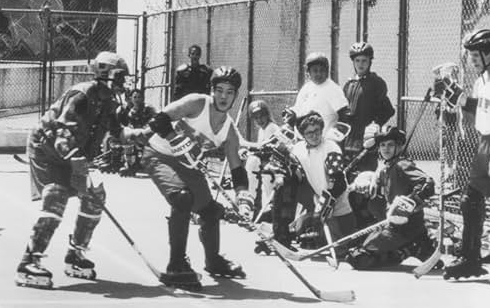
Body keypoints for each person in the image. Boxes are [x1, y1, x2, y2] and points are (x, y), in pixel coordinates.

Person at [16, 51, 135, 289]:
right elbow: (62, 136)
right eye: (120, 76)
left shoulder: (109, 101)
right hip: (47, 151)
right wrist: (78, 164)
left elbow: (118, 133)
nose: (124, 82)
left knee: (94, 199)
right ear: (104, 73)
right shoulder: (82, 96)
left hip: (73, 155)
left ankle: (76, 255)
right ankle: (28, 261)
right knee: (56, 196)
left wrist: (147, 134)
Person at [139, 66, 254, 290]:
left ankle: (213, 261)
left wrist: (243, 198)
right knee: (183, 199)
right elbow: (159, 120)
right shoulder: (196, 103)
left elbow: (237, 169)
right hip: (159, 155)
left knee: (211, 211)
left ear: (235, 95)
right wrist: (176, 139)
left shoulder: (229, 132)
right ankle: (176, 264)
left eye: (229, 92)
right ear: (211, 90)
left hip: (188, 166)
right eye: (219, 90)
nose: (223, 96)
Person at [441, 29, 490, 285]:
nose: (472, 60)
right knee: (471, 201)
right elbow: (478, 108)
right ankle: (470, 258)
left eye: (476, 55)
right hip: (485, 143)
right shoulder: (482, 80)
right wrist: (454, 95)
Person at [345, 125, 436, 270]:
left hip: (405, 226)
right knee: (354, 251)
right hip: (392, 224)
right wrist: (363, 181)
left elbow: (428, 183)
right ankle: (412, 247)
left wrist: (410, 201)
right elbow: (374, 180)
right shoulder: (387, 167)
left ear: (399, 147)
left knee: (359, 258)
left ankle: (412, 247)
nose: (385, 149)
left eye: (390, 145)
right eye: (382, 145)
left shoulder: (402, 165)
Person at [278, 113, 355, 250]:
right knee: (286, 186)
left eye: (317, 131)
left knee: (343, 246)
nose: (314, 136)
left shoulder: (331, 147)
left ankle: (308, 225)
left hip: (337, 199)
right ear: (303, 135)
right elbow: (293, 169)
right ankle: (281, 233)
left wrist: (325, 203)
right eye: (309, 133)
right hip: (317, 198)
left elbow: (338, 182)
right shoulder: (298, 149)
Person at [342, 42, 396, 229]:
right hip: (348, 140)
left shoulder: (376, 83)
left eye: (364, 60)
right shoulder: (349, 84)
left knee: (364, 183)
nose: (361, 64)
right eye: (357, 61)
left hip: (366, 142)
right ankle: (351, 222)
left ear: (370, 61)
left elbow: (388, 109)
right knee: (348, 183)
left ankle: (366, 223)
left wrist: (375, 125)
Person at [283, 52, 350, 137]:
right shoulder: (306, 88)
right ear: (308, 72)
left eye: (322, 70)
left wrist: (335, 134)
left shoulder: (333, 88)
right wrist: (290, 118)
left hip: (325, 140)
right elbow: (297, 110)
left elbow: (344, 115)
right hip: (305, 139)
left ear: (327, 71)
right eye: (315, 70)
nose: (318, 73)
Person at [244, 100, 282, 211]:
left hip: (276, 164)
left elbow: (265, 150)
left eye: (262, 116)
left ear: (267, 115)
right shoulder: (262, 130)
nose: (259, 120)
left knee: (254, 163)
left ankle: (261, 204)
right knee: (252, 162)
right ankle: (252, 201)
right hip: (266, 161)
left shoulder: (272, 127)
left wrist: (251, 151)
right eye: (256, 118)